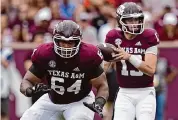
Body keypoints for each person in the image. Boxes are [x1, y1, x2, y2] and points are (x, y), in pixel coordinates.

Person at [20, 20, 109, 120]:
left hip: (80, 100)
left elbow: (102, 85)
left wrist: (99, 102)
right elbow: (27, 80)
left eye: (70, 42)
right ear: (55, 40)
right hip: (52, 99)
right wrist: (30, 90)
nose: (66, 46)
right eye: (63, 42)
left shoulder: (89, 55)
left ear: (78, 41)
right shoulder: (45, 53)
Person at [105, 2, 159, 120]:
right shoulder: (113, 36)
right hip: (124, 93)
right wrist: (104, 60)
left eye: (137, 19)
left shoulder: (149, 35)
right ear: (120, 21)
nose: (135, 23)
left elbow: (150, 70)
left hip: (145, 93)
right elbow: (105, 68)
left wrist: (129, 57)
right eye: (130, 20)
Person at [154, 56, 178, 120]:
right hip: (149, 90)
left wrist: (167, 80)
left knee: (160, 111)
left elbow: (174, 71)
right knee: (148, 112)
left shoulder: (163, 61)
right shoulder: (146, 60)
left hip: (161, 90)